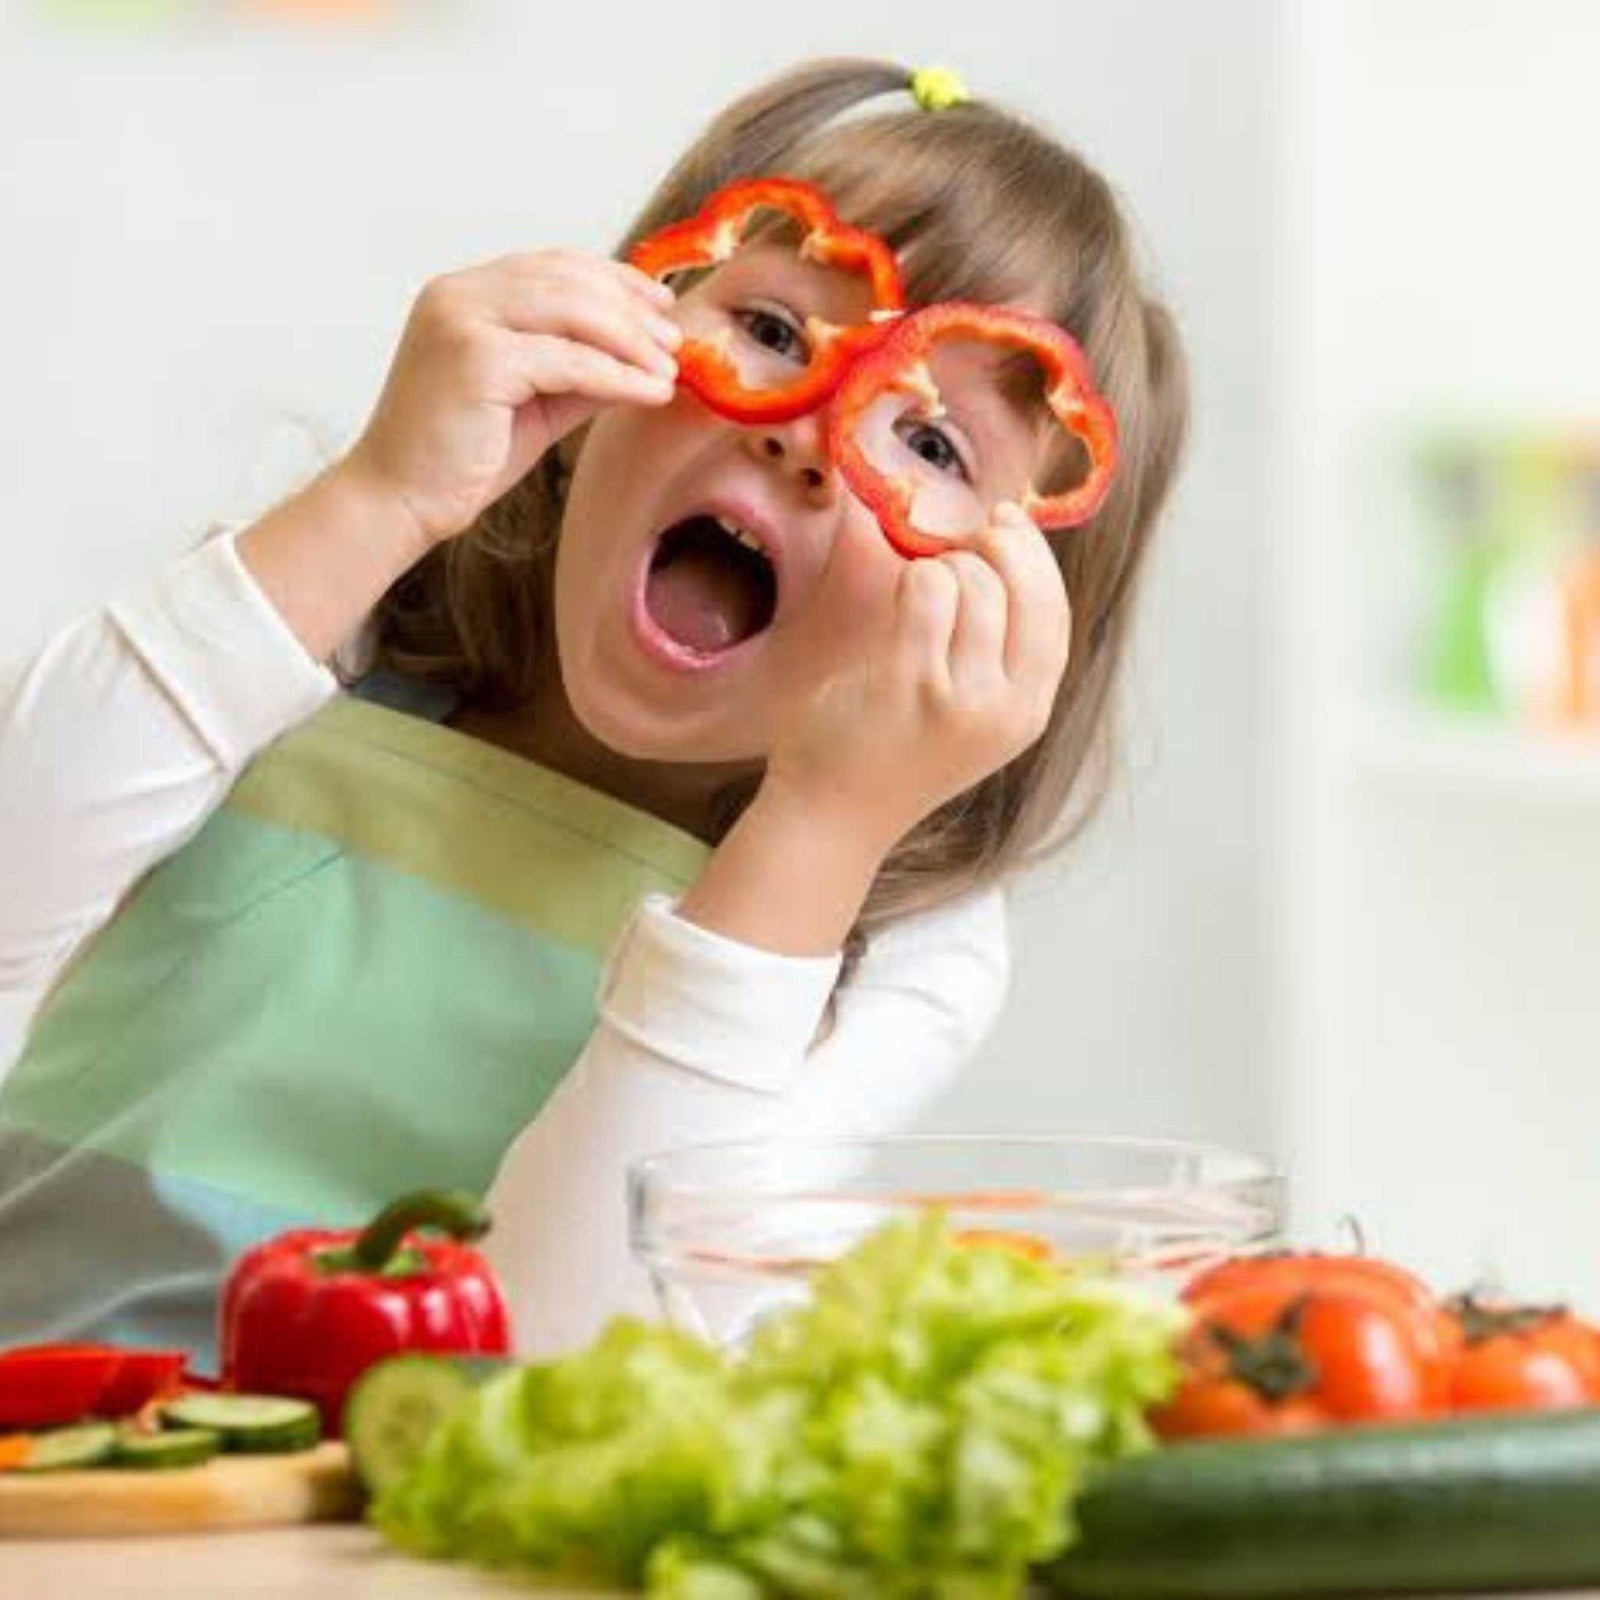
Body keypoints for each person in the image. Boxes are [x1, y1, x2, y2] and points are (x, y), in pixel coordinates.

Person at [0, 59, 1188, 1362]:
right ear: (603, 356)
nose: (808, 431)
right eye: (777, 333)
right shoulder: (327, 636)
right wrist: (378, 498)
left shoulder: (906, 941)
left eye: (932, 445)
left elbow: (578, 1335)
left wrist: (820, 828)